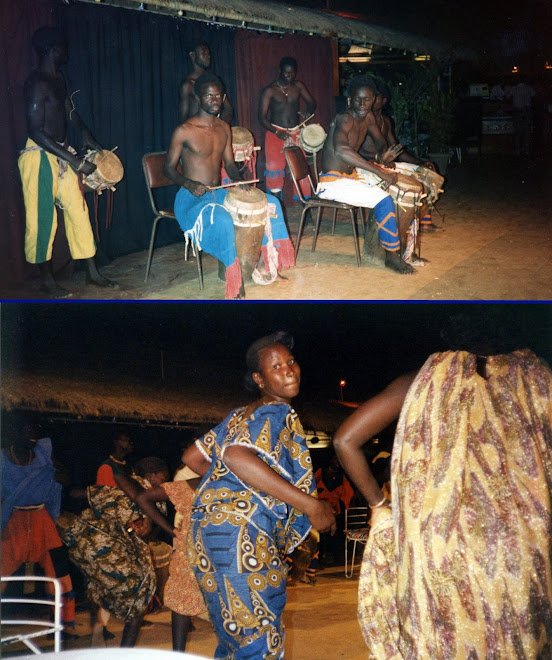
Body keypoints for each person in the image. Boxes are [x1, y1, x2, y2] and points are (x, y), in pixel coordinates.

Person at [333, 313, 552, 659]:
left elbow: (345, 439)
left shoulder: (420, 379)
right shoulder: (537, 377)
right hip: (518, 551)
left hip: (438, 548)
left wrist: (379, 507)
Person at [179, 331, 336, 659]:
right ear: (259, 379)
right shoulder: (277, 411)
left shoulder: (237, 415)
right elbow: (236, 456)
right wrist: (311, 504)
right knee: (260, 634)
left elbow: (192, 459)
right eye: (276, 367)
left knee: (233, 633)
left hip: (206, 533)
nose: (289, 371)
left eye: (291, 362)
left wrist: (223, 492)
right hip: (242, 534)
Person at [165, 73, 295, 299]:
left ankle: (268, 262)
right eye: (209, 96)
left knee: (270, 203)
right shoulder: (184, 130)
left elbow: (230, 165)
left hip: (218, 193)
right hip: (191, 197)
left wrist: (237, 180)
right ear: (198, 98)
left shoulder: (224, 127)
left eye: (218, 96)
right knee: (224, 220)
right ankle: (235, 281)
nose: (215, 100)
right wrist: (188, 183)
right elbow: (167, 169)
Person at [18, 27, 116, 298]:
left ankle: (93, 273)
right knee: (42, 219)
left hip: (61, 153)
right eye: (62, 47)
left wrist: (88, 136)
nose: (66, 51)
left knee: (78, 213)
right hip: (38, 155)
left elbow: (70, 113)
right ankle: (47, 281)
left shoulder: (58, 78)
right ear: (52, 50)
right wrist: (74, 160)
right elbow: (36, 131)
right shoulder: (36, 83)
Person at [317, 75, 418, 275]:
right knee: (384, 199)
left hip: (352, 176)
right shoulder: (344, 118)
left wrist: (382, 154)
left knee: (403, 185)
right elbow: (341, 150)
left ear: (374, 100)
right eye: (357, 99)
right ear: (349, 100)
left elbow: (380, 140)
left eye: (367, 100)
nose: (362, 104)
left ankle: (401, 246)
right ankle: (392, 256)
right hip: (333, 182)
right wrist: (380, 171)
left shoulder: (370, 117)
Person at [1, 415, 76, 633]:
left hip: (42, 521)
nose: (33, 435)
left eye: (35, 430)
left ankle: (65, 623)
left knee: (59, 571)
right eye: (28, 430)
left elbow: (65, 477)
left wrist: (59, 476)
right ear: (15, 433)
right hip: (12, 521)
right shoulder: (2, 460)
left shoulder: (44, 454)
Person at [128, 458, 208, 653]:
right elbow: (142, 498)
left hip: (215, 549)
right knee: (181, 599)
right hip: (192, 548)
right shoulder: (197, 482)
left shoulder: (202, 482)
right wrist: (171, 530)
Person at [359, 81, 443, 234]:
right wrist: (380, 158)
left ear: (384, 100)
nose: (370, 100)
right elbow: (355, 151)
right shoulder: (362, 120)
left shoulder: (386, 121)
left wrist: (421, 162)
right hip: (368, 166)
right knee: (405, 183)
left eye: (374, 97)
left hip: (385, 164)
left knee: (426, 172)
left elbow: (397, 151)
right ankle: (403, 227)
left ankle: (424, 221)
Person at [259, 57, 316, 199]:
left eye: (292, 73)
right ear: (280, 71)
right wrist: (277, 132)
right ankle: (276, 204)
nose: (289, 76)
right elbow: (261, 117)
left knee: (301, 168)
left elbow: (311, 102)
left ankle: (305, 204)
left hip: (296, 132)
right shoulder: (270, 90)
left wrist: (308, 110)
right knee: (275, 170)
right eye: (286, 73)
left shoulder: (298, 86)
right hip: (275, 133)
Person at [179, 40, 233, 125]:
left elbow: (228, 110)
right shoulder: (188, 84)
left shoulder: (213, 82)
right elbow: (183, 116)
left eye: (208, 54)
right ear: (192, 55)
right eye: (203, 53)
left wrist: (219, 128)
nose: (208, 56)